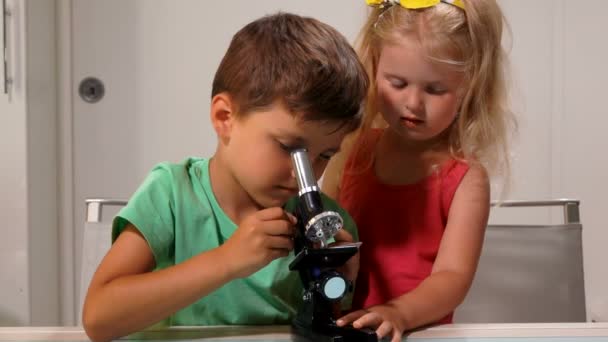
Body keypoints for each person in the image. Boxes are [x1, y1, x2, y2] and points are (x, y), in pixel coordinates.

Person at [82, 12, 369, 342]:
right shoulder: (171, 195)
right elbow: (99, 318)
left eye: (326, 156)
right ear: (224, 118)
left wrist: (339, 288)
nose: (302, 173)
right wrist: (227, 261)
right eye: (289, 147)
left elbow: (319, 329)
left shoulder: (325, 221)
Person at [322, 0, 517, 341]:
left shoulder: (465, 179)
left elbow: (453, 277)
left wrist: (398, 312)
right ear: (373, 68)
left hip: (416, 334)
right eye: (397, 83)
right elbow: (322, 225)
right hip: (338, 329)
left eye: (435, 89)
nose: (413, 103)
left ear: (469, 90)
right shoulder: (351, 148)